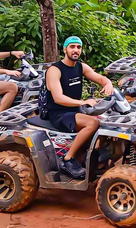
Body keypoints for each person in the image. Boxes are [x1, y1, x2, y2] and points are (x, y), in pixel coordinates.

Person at [45, 36, 115, 180]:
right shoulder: (55, 70)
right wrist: (82, 102)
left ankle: (91, 156)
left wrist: (108, 84)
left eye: (78, 47)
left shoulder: (80, 66)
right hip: (59, 113)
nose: (76, 50)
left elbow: (100, 78)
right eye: (72, 47)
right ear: (65, 49)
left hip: (75, 110)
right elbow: (58, 97)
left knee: (106, 120)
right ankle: (67, 159)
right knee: (92, 123)